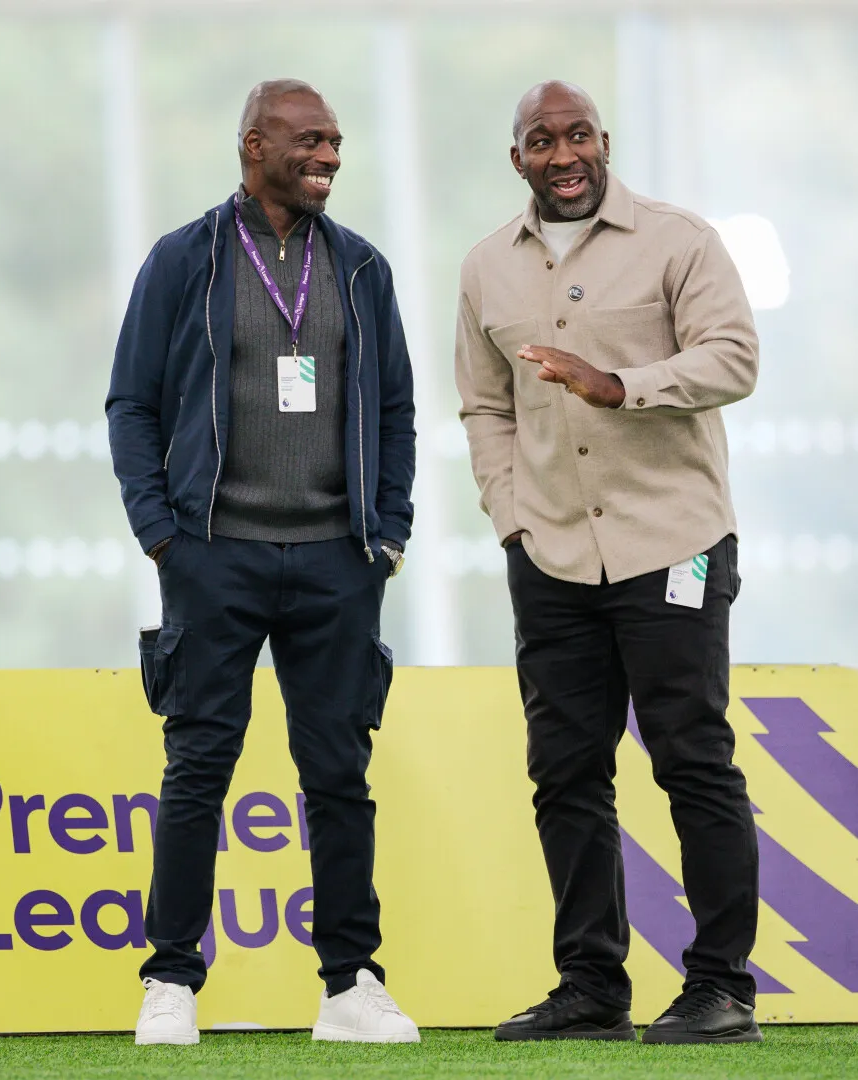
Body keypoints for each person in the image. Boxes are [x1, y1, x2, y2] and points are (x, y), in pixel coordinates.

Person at [107, 78, 418, 1045]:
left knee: (337, 775)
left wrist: (389, 532)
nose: (329, 153)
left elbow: (398, 410)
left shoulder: (362, 268)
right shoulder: (182, 260)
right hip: (213, 556)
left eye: (335, 140)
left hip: (338, 560)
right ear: (254, 146)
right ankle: (170, 982)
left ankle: (350, 986)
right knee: (198, 768)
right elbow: (131, 406)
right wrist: (163, 535)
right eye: (310, 139)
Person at [453, 80, 762, 1044]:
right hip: (549, 555)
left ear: (603, 143)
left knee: (692, 761)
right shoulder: (483, 268)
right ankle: (590, 986)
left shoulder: (678, 239)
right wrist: (510, 519)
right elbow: (484, 405)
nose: (562, 153)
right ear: (518, 160)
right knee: (565, 773)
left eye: (577, 134)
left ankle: (720, 990)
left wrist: (619, 384)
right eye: (540, 141)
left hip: (673, 542)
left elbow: (733, 358)